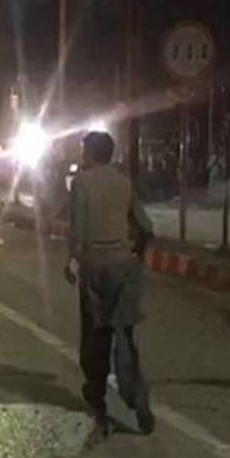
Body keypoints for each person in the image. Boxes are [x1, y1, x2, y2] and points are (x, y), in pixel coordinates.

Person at [65, 131, 154, 436]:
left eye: (83, 150)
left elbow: (78, 230)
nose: (81, 155)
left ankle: (97, 398)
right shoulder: (123, 182)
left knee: (96, 337)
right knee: (125, 335)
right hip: (124, 267)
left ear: (91, 153)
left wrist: (72, 261)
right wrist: (137, 254)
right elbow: (146, 226)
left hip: (95, 268)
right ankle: (137, 396)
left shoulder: (81, 183)